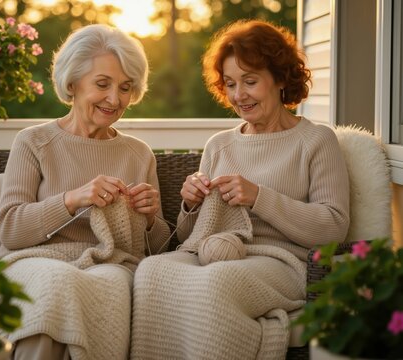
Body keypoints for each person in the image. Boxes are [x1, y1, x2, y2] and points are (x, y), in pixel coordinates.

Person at [130, 19, 350, 359]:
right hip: (214, 253)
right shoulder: (219, 145)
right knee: (152, 271)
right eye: (230, 84)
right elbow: (190, 237)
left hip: (282, 263)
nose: (238, 95)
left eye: (250, 81)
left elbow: (333, 227)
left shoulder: (315, 141)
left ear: (279, 79)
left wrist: (260, 197)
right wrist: (191, 204)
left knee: (218, 281)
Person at [0, 24, 170, 360]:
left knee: (106, 285)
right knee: (58, 284)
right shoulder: (33, 142)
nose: (114, 99)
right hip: (34, 262)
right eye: (102, 84)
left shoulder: (138, 153)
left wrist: (149, 219)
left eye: (126, 88)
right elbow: (11, 228)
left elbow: (158, 249)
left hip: (110, 266)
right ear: (72, 83)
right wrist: (73, 200)